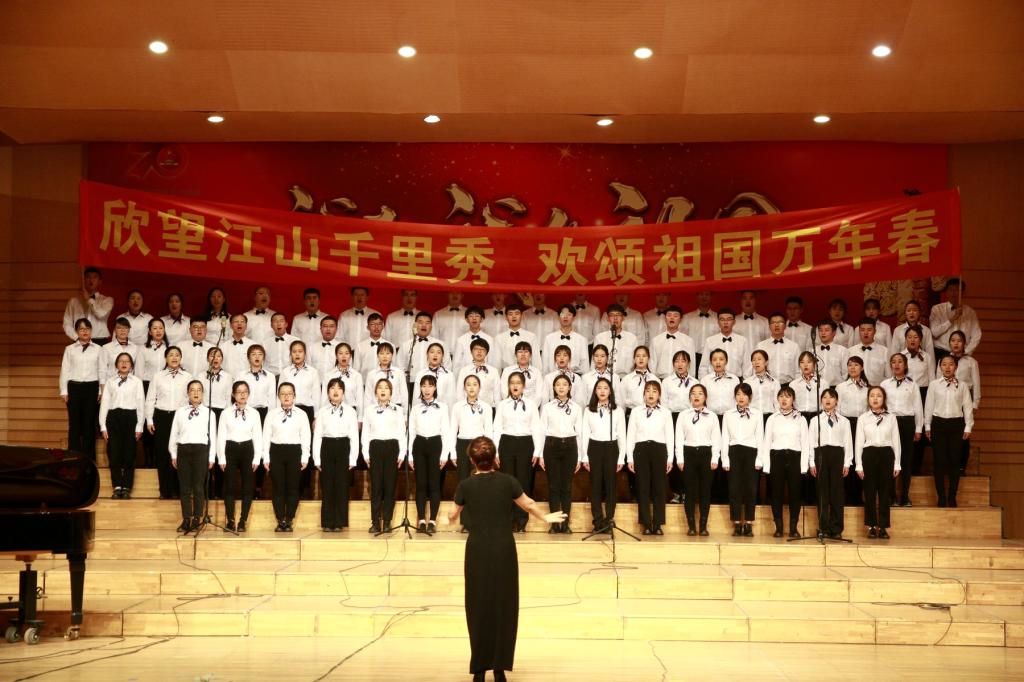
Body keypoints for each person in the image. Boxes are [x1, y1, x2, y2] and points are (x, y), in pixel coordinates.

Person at [445, 436, 566, 682]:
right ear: (495, 459)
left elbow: (453, 514)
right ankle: (499, 668)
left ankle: (479, 669)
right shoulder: (508, 481)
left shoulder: (465, 486)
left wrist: (450, 517)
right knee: (504, 606)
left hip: (478, 550)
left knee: (478, 606)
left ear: (472, 461)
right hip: (503, 550)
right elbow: (528, 505)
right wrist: (546, 518)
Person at [493, 371, 543, 533]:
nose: (515, 386)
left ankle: (522, 520)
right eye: (512, 383)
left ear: (523, 386)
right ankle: (508, 520)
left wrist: (537, 451)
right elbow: (497, 428)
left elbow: (536, 428)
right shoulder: (503, 405)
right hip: (506, 443)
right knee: (507, 483)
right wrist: (496, 451)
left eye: (518, 383)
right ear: (508, 386)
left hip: (525, 443)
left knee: (523, 482)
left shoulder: (531, 404)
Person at [757, 386, 807, 538]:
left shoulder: (801, 419)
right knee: (776, 494)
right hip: (776, 457)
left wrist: (803, 466)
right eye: (781, 396)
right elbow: (766, 442)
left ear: (793, 400)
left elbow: (805, 443)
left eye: (788, 396)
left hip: (795, 457)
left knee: (795, 494)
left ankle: (793, 528)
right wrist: (766, 465)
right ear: (777, 399)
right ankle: (778, 528)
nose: (784, 399)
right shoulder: (772, 419)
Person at [625, 380, 674, 535]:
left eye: (654, 391)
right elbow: (630, 435)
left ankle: (658, 523)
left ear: (659, 394)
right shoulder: (636, 411)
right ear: (643, 394)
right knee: (643, 487)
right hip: (641, 449)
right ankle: (646, 523)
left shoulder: (665, 412)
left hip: (659, 449)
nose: (651, 394)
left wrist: (670, 458)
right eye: (648, 390)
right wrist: (630, 457)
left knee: (659, 488)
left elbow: (670, 436)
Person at [925, 356, 974, 507]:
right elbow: (929, 405)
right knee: (939, 462)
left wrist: (968, 426)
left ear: (956, 367)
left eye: (951, 364)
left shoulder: (963, 385)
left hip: (956, 425)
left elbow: (967, 406)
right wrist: (927, 425)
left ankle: (952, 497)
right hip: (938, 424)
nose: (947, 367)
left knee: (954, 461)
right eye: (944, 364)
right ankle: (941, 497)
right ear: (940, 367)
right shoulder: (934, 385)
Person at [168, 380, 216, 533]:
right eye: (192, 390)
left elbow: (212, 437)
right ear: (188, 393)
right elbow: (174, 434)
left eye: (199, 390)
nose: (196, 393)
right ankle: (186, 519)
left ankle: (197, 518)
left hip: (201, 451)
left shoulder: (209, 413)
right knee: (184, 487)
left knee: (198, 487)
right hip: (184, 450)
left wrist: (211, 457)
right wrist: (174, 453)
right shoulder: (180, 412)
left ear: (203, 393)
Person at [264, 382, 312, 532]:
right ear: (278, 396)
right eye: (283, 394)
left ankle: (289, 519)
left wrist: (305, 457)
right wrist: (266, 457)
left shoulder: (301, 414)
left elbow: (306, 436)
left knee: (292, 487)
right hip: (276, 451)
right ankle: (280, 520)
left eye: (289, 393)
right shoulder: (272, 414)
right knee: (278, 487)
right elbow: (266, 436)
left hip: (294, 451)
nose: (286, 396)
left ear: (294, 396)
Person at [407, 375, 452, 534]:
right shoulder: (415, 408)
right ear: (420, 388)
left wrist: (444, 455)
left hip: (435, 445)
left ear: (435, 388)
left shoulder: (443, 407)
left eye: (430, 386)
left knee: (434, 484)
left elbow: (446, 431)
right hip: (419, 445)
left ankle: (432, 520)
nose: (427, 389)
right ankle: (421, 520)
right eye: (424, 386)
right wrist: (410, 455)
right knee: (421, 484)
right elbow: (411, 432)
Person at [539, 374, 583, 533]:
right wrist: (541, 454)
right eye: (558, 384)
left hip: (570, 446)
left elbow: (580, 433)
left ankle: (565, 523)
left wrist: (580, 456)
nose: (561, 387)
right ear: (554, 387)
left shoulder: (576, 408)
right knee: (553, 487)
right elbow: (541, 431)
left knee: (566, 487)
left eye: (564, 384)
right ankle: (554, 524)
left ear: (569, 387)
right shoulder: (547, 407)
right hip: (551, 446)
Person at [360, 378, 406, 533]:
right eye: (380, 387)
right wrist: (366, 453)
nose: (383, 390)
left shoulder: (397, 410)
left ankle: (387, 522)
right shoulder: (369, 410)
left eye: (386, 388)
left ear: (391, 393)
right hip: (375, 447)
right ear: (375, 392)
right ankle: (375, 522)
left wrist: (402, 452)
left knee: (389, 486)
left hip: (392, 447)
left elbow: (402, 432)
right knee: (376, 486)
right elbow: (365, 433)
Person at [217, 380, 263, 532]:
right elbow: (221, 436)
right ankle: (230, 520)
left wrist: (257, 457)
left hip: (247, 449)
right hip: (230, 449)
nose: (242, 395)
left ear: (248, 394)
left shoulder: (254, 413)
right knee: (229, 486)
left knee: (247, 487)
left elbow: (258, 436)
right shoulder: (225, 413)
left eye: (245, 392)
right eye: (239, 392)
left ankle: (243, 520)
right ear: (233, 394)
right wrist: (221, 457)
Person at [145, 346, 191, 499]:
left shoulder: (188, 376)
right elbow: (150, 399)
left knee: (179, 454)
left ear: (181, 358)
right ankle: (164, 491)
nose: (174, 357)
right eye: (171, 355)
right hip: (162, 416)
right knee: (163, 454)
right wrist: (149, 419)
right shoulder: (158, 376)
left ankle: (178, 490)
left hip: (180, 416)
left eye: (177, 355)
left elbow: (191, 399)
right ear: (166, 358)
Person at [314, 377, 360, 532]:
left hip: (343, 447)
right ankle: (327, 522)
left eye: (339, 388)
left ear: (343, 393)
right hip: (327, 446)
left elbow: (354, 436)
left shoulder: (351, 411)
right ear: (328, 392)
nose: (335, 391)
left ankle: (339, 521)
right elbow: (318, 435)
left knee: (341, 485)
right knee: (327, 486)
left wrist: (353, 458)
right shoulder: (322, 412)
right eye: (332, 388)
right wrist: (317, 458)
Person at [581, 377, 626, 533]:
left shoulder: (617, 410)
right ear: (595, 391)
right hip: (594, 447)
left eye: (605, 388)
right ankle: (597, 522)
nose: (602, 391)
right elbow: (585, 433)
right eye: (599, 388)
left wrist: (621, 457)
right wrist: (584, 456)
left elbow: (621, 435)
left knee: (610, 486)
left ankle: (609, 521)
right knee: (595, 486)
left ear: (610, 391)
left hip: (611, 447)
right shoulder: (588, 410)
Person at [675, 383, 720, 535]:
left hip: (706, 454)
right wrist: (680, 458)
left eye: (700, 393)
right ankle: (691, 526)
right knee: (690, 491)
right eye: (693, 393)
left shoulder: (712, 416)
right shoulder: (683, 415)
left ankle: (703, 526)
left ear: (705, 397)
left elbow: (716, 438)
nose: (696, 396)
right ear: (689, 397)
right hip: (689, 453)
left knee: (705, 491)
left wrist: (715, 457)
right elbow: (679, 438)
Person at [855, 386, 901, 539]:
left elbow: (896, 441)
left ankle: (883, 526)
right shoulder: (863, 418)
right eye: (872, 395)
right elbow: (859, 443)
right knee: (869, 492)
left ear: (884, 399)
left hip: (886, 455)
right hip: (869, 455)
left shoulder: (891, 418)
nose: (875, 398)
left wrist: (897, 463)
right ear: (868, 399)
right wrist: (859, 465)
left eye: (879, 396)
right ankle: (871, 526)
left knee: (885, 493)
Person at [808, 388, 854, 539]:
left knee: (837, 493)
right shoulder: (815, 420)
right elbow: (811, 442)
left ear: (836, 401)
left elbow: (848, 442)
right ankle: (823, 527)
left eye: (831, 397)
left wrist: (847, 463)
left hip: (837, 455)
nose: (828, 400)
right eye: (825, 397)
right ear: (821, 401)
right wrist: (811, 462)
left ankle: (836, 528)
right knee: (822, 493)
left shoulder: (844, 421)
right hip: (820, 454)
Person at [450, 374, 494, 532]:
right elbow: (452, 429)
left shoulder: (486, 407)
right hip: (462, 444)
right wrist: (452, 452)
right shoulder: (457, 407)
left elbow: (489, 430)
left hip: (480, 445)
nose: (471, 387)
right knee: (464, 483)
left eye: (475, 384)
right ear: (464, 388)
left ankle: (481, 520)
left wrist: (490, 452)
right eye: (468, 384)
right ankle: (466, 522)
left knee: (480, 483)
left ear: (479, 387)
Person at [99, 352, 144, 499]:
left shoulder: (137, 382)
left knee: (129, 454)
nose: (124, 364)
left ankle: (127, 487)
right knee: (114, 453)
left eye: (127, 361)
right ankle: (117, 486)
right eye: (121, 361)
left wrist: (139, 425)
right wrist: (103, 425)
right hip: (114, 418)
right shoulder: (110, 382)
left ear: (131, 365)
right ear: (116, 364)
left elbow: (140, 404)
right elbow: (105, 404)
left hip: (131, 418)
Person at [881, 354, 923, 507]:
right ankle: (891, 496)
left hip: (907, 422)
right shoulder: (885, 384)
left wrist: (918, 428)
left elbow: (918, 407)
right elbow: (880, 405)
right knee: (890, 459)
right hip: (890, 422)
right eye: (893, 362)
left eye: (900, 362)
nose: (896, 364)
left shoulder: (913, 385)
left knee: (906, 460)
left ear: (905, 365)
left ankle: (905, 496)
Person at [59, 318, 104, 461]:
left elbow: (101, 370)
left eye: (87, 329)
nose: (85, 331)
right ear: (77, 332)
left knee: (89, 423)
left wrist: (100, 391)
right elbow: (65, 370)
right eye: (81, 329)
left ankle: (89, 459)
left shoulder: (98, 349)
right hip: (74, 387)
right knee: (74, 423)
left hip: (92, 387)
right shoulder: (70, 349)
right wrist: (64, 391)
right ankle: (73, 456)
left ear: (91, 331)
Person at [722, 383, 764, 536]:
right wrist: (725, 459)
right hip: (733, 451)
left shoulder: (757, 414)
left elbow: (760, 437)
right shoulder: (728, 414)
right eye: (738, 394)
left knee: (751, 489)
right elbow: (725, 437)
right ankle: (736, 523)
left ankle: (749, 523)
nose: (741, 397)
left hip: (751, 451)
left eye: (744, 394)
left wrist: (759, 459)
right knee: (734, 489)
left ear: (750, 397)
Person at [945, 330, 981, 472]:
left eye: (959, 341)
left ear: (964, 343)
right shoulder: (944, 361)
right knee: (948, 434)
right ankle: (948, 465)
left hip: (964, 402)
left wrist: (974, 404)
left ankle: (961, 466)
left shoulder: (971, 362)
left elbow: (976, 384)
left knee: (963, 434)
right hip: (947, 401)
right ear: (949, 343)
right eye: (953, 340)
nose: (956, 343)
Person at [137, 318, 167, 468]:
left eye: (161, 328)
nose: (158, 331)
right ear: (149, 332)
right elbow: (138, 373)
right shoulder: (143, 349)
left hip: (164, 386)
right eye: (154, 328)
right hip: (147, 386)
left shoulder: (169, 348)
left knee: (160, 422)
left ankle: (159, 458)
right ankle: (148, 459)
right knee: (147, 421)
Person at [930, 277, 982, 359]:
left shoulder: (970, 312)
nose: (953, 293)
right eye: (951, 289)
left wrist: (966, 352)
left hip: (963, 354)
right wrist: (952, 319)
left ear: (963, 293)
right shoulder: (937, 309)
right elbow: (934, 332)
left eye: (957, 290)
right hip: (941, 353)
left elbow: (977, 335)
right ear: (946, 292)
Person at [63, 267, 112, 344]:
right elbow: (67, 323)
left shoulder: (107, 300)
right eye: (88, 277)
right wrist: (76, 337)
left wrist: (89, 300)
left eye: (95, 277)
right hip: (78, 340)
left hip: (100, 340)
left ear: (100, 281)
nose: (91, 280)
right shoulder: (73, 301)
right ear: (84, 280)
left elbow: (101, 315)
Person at [698, 308, 751, 379]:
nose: (725, 322)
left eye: (729, 319)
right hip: (714, 380)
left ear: (734, 322)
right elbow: (703, 366)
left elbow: (747, 366)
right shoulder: (710, 341)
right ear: (718, 322)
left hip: (737, 380)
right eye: (722, 319)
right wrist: (703, 382)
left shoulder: (743, 341)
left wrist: (746, 383)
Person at [649, 305, 695, 379]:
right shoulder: (656, 340)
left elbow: (691, 365)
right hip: (660, 379)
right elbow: (652, 364)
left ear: (680, 319)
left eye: (675, 316)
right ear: (665, 318)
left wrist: (690, 381)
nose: (672, 318)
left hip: (681, 379)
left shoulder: (688, 341)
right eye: (669, 315)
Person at [321, 343, 365, 419]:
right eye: (340, 353)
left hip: (351, 413)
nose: (344, 356)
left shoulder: (357, 376)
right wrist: (321, 416)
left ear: (350, 356)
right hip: (332, 412)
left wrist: (360, 418)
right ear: (336, 356)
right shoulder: (328, 375)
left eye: (347, 353)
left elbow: (360, 399)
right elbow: (324, 399)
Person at [541, 304, 588, 374]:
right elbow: (545, 363)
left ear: (574, 317)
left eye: (569, 314)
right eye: (562, 314)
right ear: (558, 317)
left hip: (574, 378)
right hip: (553, 378)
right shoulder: (549, 339)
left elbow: (585, 366)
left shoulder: (581, 340)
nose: (565, 317)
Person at [756, 313, 801, 385]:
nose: (776, 325)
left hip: (788, 385)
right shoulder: (761, 346)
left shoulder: (794, 346)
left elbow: (798, 370)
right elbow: (756, 368)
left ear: (785, 325)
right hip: (767, 385)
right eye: (773, 322)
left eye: (780, 322)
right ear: (769, 326)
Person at [593, 304, 637, 377]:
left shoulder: (632, 338)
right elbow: (594, 361)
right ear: (607, 318)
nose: (615, 318)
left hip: (625, 378)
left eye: (618, 315)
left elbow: (636, 361)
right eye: (612, 315)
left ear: (623, 318)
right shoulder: (599, 338)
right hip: (604, 377)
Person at [493, 303, 537, 370]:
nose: (514, 316)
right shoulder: (499, 338)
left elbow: (536, 361)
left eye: (517, 313)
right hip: (506, 373)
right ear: (506, 317)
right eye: (510, 314)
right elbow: (496, 363)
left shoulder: (531, 337)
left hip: (527, 373)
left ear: (521, 316)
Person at [499, 341, 544, 405]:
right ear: (515, 355)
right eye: (520, 352)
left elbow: (539, 394)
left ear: (530, 355)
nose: (523, 354)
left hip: (531, 406)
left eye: (526, 352)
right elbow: (504, 392)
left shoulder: (536, 372)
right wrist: (512, 405)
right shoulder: (507, 371)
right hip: (511, 406)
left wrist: (531, 407)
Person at [453, 306, 494, 371]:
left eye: (477, 316)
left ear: (482, 319)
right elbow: (456, 364)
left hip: (484, 374)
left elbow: (492, 361)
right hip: (466, 374)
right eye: (471, 316)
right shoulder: (460, 340)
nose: (474, 318)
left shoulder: (489, 339)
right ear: (466, 320)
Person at [100, 317, 140, 383]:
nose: (122, 330)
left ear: (129, 330)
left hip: (130, 384)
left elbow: (137, 370)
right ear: (115, 330)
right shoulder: (106, 348)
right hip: (111, 384)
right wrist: (102, 387)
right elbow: (102, 370)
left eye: (125, 328)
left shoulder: (135, 348)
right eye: (119, 328)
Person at [434, 291, 468, 357]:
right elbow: (434, 336)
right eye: (452, 292)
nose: (455, 295)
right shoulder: (438, 314)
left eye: (458, 292)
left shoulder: (470, 314)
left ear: (462, 295)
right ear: (447, 295)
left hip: (463, 355)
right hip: (443, 355)